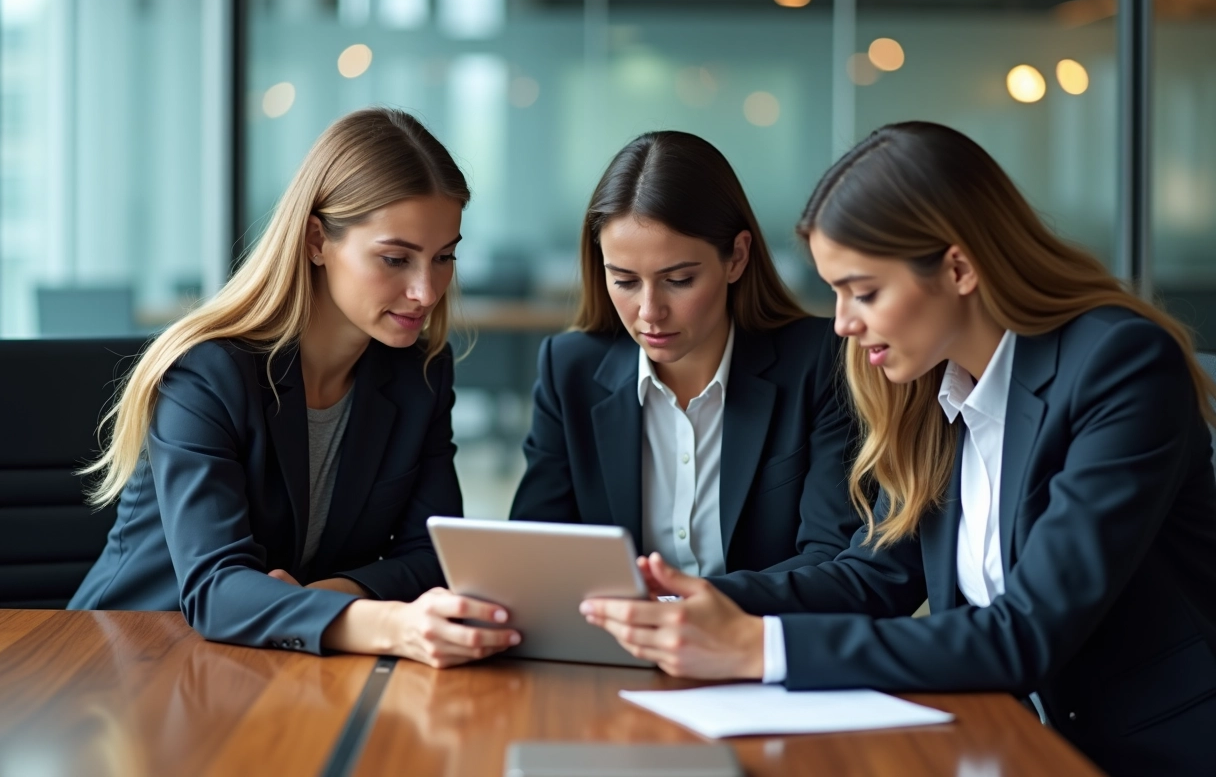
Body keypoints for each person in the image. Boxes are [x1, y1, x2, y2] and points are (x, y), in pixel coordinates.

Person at [579, 121, 1216, 776]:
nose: (842, 323)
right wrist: (679, 605)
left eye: (864, 292)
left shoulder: (1119, 366)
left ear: (959, 268)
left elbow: (1027, 632)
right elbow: (872, 576)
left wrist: (759, 647)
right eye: (836, 293)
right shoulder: (934, 388)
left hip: (1152, 757)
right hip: (1007, 743)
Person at [70, 108, 519, 668]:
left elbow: (432, 555)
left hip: (275, 661)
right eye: (395, 259)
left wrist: (331, 597)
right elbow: (215, 589)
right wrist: (389, 624)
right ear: (315, 240)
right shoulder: (207, 374)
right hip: (132, 660)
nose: (427, 291)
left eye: (444, 257)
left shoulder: (420, 374)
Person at [510, 130, 859, 578]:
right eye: (624, 281)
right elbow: (534, 553)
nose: (649, 311)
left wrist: (693, 606)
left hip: (754, 624)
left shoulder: (821, 361)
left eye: (678, 280)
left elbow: (832, 559)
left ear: (736, 257)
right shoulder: (568, 370)